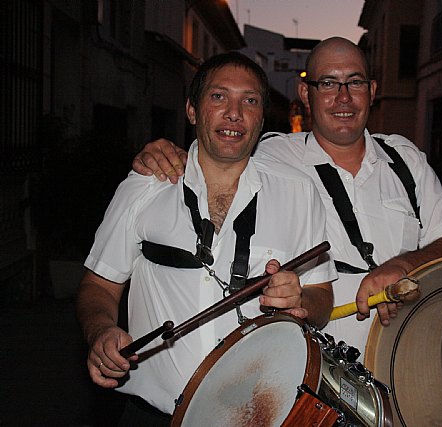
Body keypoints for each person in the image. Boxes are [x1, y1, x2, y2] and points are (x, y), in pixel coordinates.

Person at [132, 37, 442, 358]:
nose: (343, 97)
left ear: (372, 91)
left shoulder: (405, 160)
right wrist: (165, 153)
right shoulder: (268, 156)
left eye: (354, 82)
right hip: (311, 373)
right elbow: (214, 153)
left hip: (408, 360)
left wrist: (403, 264)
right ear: (305, 94)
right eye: (328, 83)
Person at [77, 52, 335, 424]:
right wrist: (100, 330)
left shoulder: (299, 193)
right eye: (218, 97)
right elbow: (99, 285)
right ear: (192, 110)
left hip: (258, 417)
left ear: (262, 119)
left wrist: (302, 300)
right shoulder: (144, 186)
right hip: (151, 416)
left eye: (250, 101)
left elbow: (322, 300)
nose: (234, 113)